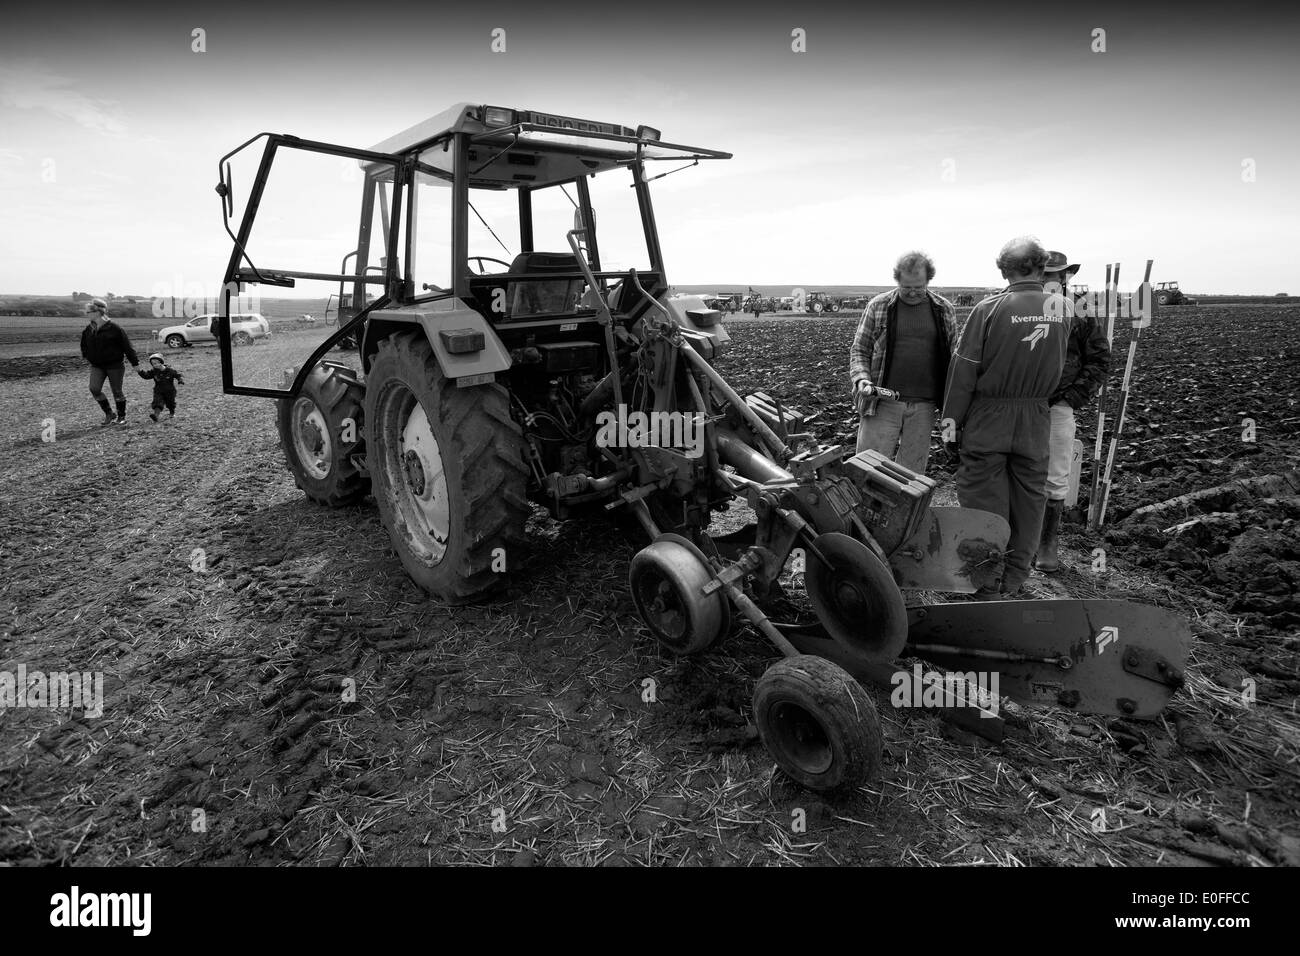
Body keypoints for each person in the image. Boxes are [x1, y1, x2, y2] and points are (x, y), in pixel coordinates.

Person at [941, 237, 1070, 597]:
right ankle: (1014, 580)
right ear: (1041, 266)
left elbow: (963, 373)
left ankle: (986, 581)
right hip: (1035, 417)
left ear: (1003, 269)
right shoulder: (1062, 309)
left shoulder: (988, 310)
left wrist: (951, 424)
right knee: (1029, 500)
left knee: (985, 501)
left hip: (990, 416)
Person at [1035, 251, 1111, 572]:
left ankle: (1047, 546)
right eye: (1046, 274)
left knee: (1055, 478)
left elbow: (1099, 359)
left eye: (1058, 274)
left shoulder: (1081, 310)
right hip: (1018, 406)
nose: (1052, 280)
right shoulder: (1018, 307)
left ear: (1067, 276)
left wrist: (1071, 398)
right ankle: (1015, 542)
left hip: (1058, 407)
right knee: (1015, 472)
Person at [849, 251, 958, 474]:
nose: (912, 292)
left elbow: (954, 355)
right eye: (906, 287)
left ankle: (902, 510)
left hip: (924, 407)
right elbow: (860, 349)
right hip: (882, 402)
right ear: (897, 280)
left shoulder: (944, 309)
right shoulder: (878, 306)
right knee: (868, 469)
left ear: (928, 281)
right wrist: (862, 379)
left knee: (911, 475)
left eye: (918, 287)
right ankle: (865, 509)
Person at [79, 298, 140, 425]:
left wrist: (135, 364)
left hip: (115, 366)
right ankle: (109, 413)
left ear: (97, 312)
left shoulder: (115, 328)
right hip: (97, 366)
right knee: (94, 389)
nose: (87, 314)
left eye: (89, 312)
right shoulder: (89, 329)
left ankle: (121, 416)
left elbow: (127, 347)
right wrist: (88, 356)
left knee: (117, 391)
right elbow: (84, 344)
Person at [137, 352, 185, 421]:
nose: (156, 365)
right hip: (158, 390)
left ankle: (172, 412)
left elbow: (177, 375)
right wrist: (140, 372)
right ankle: (156, 415)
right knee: (157, 402)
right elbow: (146, 376)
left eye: (157, 363)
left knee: (170, 403)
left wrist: (180, 380)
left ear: (161, 362)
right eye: (154, 364)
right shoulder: (153, 371)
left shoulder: (169, 370)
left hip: (170, 391)